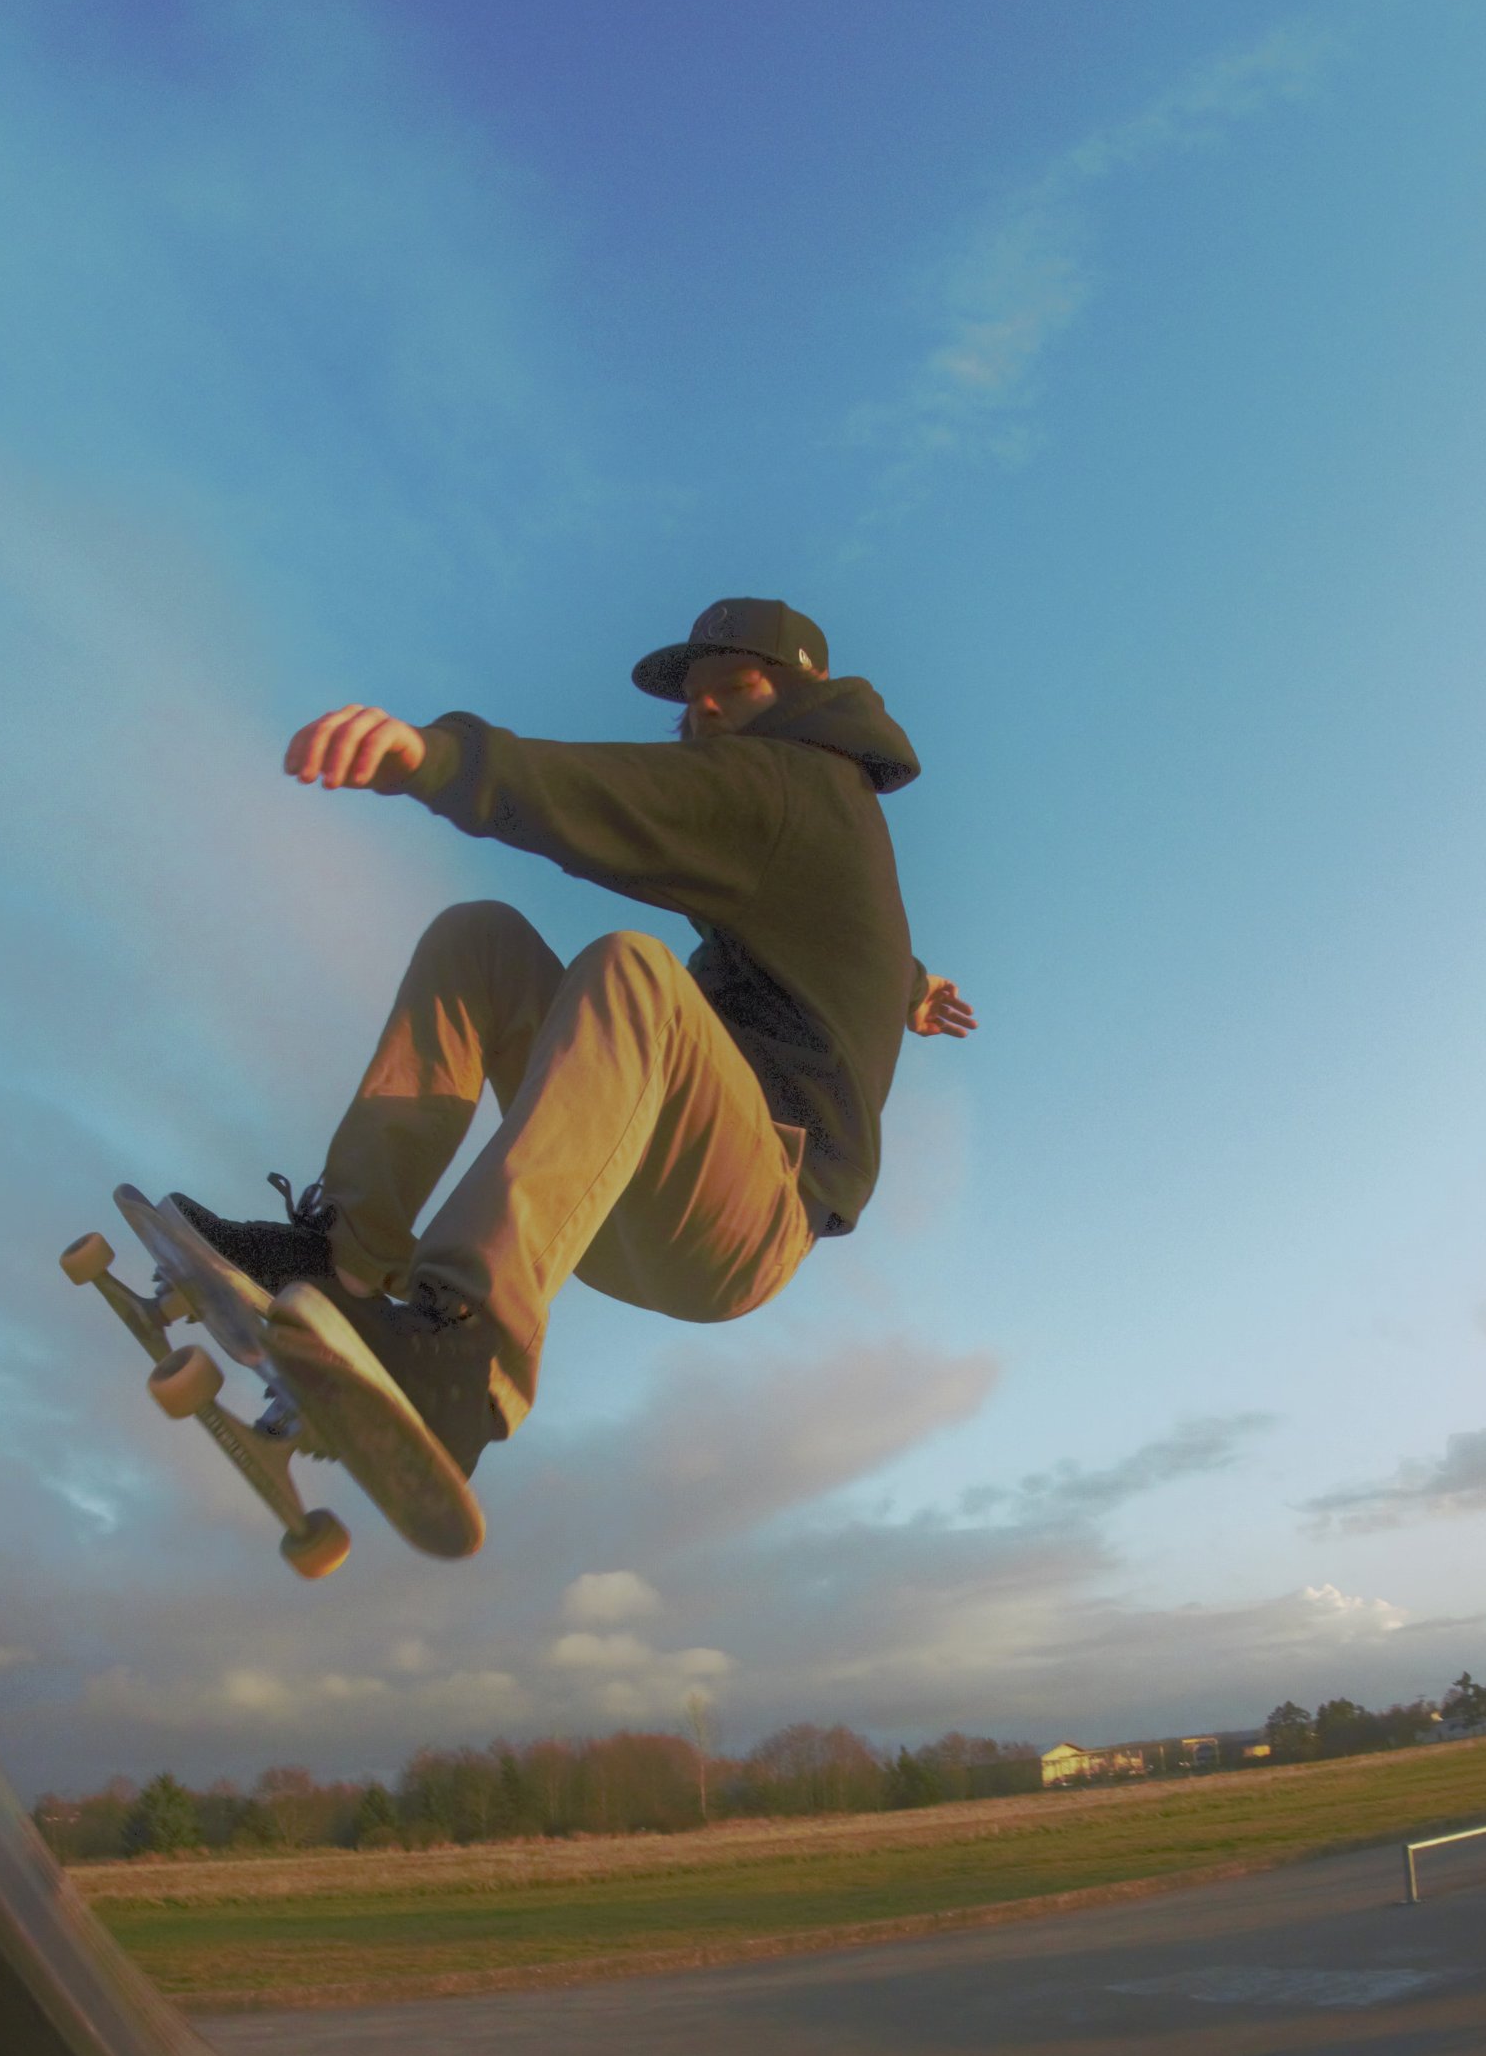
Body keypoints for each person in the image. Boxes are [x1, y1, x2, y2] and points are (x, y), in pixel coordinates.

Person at [167, 597, 974, 1485]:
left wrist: (435, 759)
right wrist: (911, 986)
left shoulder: (797, 780)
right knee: (482, 940)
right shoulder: (806, 815)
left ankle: (463, 1359)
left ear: (801, 689)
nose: (702, 712)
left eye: (731, 688)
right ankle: (342, 1263)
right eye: (691, 699)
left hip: (751, 1218)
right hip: (636, 1192)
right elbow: (835, 917)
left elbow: (624, 798)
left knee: (637, 974)